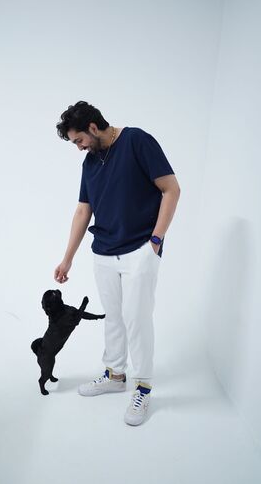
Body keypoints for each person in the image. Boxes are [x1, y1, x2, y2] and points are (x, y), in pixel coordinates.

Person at [54, 100, 180, 425]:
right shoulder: (90, 163)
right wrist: (67, 259)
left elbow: (171, 189)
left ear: (93, 127)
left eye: (79, 140)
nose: (79, 147)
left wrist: (156, 241)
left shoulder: (137, 141)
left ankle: (143, 388)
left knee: (137, 319)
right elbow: (83, 210)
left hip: (140, 249)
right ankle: (115, 374)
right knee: (114, 318)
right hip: (104, 252)